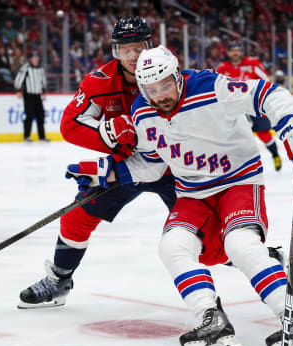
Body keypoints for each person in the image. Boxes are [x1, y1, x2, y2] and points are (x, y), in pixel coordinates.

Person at [66, 46, 293, 346]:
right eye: (150, 89)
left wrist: (291, 125)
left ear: (177, 76)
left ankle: (292, 319)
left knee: (240, 244)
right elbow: (151, 165)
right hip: (192, 194)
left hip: (238, 182)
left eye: (164, 85)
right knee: (172, 246)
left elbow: (268, 93)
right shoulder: (142, 110)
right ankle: (211, 320)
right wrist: (105, 172)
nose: (159, 95)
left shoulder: (210, 86)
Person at [18, 17, 178, 308]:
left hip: (173, 166)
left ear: (150, 46)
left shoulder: (168, 74)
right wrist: (109, 135)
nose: (132, 56)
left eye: (139, 48)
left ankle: (260, 261)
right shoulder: (99, 82)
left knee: (204, 236)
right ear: (115, 51)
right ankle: (59, 281)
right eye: (124, 49)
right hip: (128, 166)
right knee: (76, 217)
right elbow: (70, 125)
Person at [217, 41, 283, 171]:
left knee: (264, 134)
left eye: (238, 50)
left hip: (254, 105)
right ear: (228, 52)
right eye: (232, 50)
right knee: (233, 137)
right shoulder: (221, 69)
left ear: (241, 52)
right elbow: (217, 89)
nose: (235, 53)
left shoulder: (253, 64)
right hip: (234, 109)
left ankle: (275, 155)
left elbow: (265, 80)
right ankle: (237, 166)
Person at [14, 53, 48, 142]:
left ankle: (42, 136)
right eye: (34, 58)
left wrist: (43, 92)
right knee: (29, 115)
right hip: (28, 95)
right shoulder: (26, 68)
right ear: (30, 59)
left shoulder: (40, 69)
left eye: (37, 58)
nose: (36, 60)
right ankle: (26, 136)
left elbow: (43, 80)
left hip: (37, 95)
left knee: (41, 115)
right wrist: (18, 90)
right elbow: (19, 79)